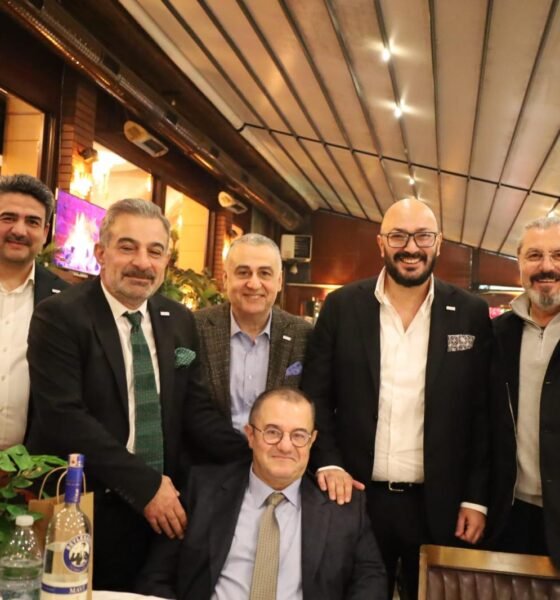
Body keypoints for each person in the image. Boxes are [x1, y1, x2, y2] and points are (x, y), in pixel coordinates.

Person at [26, 198, 248, 591]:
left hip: (162, 514)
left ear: (166, 262)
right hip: (84, 506)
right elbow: (64, 417)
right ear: (101, 253)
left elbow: (194, 410)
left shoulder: (178, 319)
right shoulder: (59, 315)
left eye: (155, 251)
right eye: (127, 247)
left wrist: (257, 453)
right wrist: (145, 485)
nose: (142, 263)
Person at [302, 198, 492, 598]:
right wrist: (329, 463)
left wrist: (476, 499)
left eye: (423, 236)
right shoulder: (342, 307)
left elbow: (482, 413)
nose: (411, 247)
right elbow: (315, 395)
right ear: (380, 243)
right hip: (356, 497)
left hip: (441, 503)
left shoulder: (470, 313)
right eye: (398, 236)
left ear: (438, 242)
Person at [136, 387, 387, 599]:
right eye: (272, 432)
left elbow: (371, 581)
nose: (285, 446)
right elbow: (156, 577)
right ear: (250, 435)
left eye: (299, 435)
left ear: (312, 440)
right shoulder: (201, 491)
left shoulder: (343, 506)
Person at [488, 216, 560, 568]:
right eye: (534, 255)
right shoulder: (496, 335)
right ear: (518, 263)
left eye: (558, 255)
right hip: (509, 515)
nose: (546, 266)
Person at [194, 233, 312, 432]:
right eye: (243, 273)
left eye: (264, 273)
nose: (254, 284)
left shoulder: (303, 335)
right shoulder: (195, 328)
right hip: (210, 449)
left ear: (279, 281)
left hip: (278, 450)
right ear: (225, 279)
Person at [0, 174, 68, 449]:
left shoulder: (67, 302)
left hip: (33, 466)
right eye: (8, 218)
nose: (19, 230)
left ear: (45, 231)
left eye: (32, 221)